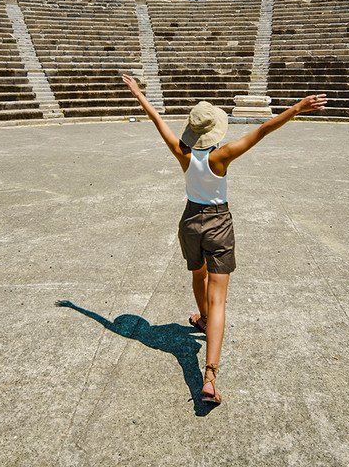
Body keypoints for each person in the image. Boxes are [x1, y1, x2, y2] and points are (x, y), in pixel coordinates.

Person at [122, 74, 327, 405]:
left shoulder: (182, 153)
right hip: (218, 223)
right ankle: (210, 376)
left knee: (197, 275)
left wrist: (138, 93)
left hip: (190, 222)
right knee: (218, 299)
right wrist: (297, 108)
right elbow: (263, 130)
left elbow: (157, 120)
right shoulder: (222, 156)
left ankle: (202, 319)